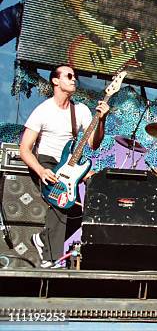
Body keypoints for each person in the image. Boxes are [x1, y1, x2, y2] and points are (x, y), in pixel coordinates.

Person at [19, 64, 110, 267]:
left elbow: (93, 144)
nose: (73, 79)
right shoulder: (43, 111)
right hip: (45, 163)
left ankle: (43, 239)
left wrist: (102, 120)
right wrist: (41, 170)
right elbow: (24, 149)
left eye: (75, 76)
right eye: (68, 76)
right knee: (60, 204)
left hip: (68, 166)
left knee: (78, 213)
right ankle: (50, 260)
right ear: (55, 81)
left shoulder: (81, 110)